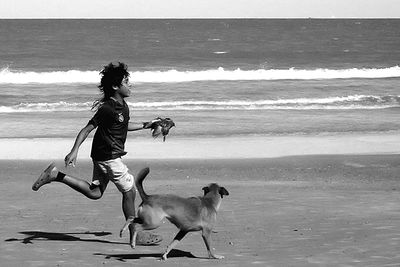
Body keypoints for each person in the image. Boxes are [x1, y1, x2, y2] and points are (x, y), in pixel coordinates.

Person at [32, 62, 162, 247]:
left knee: (95, 193)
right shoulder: (108, 108)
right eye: (126, 81)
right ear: (116, 86)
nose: (130, 85)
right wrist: (74, 150)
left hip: (102, 156)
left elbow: (123, 126)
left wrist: (145, 125)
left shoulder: (123, 106)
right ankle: (136, 233)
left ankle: (56, 175)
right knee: (130, 190)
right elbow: (87, 129)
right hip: (109, 157)